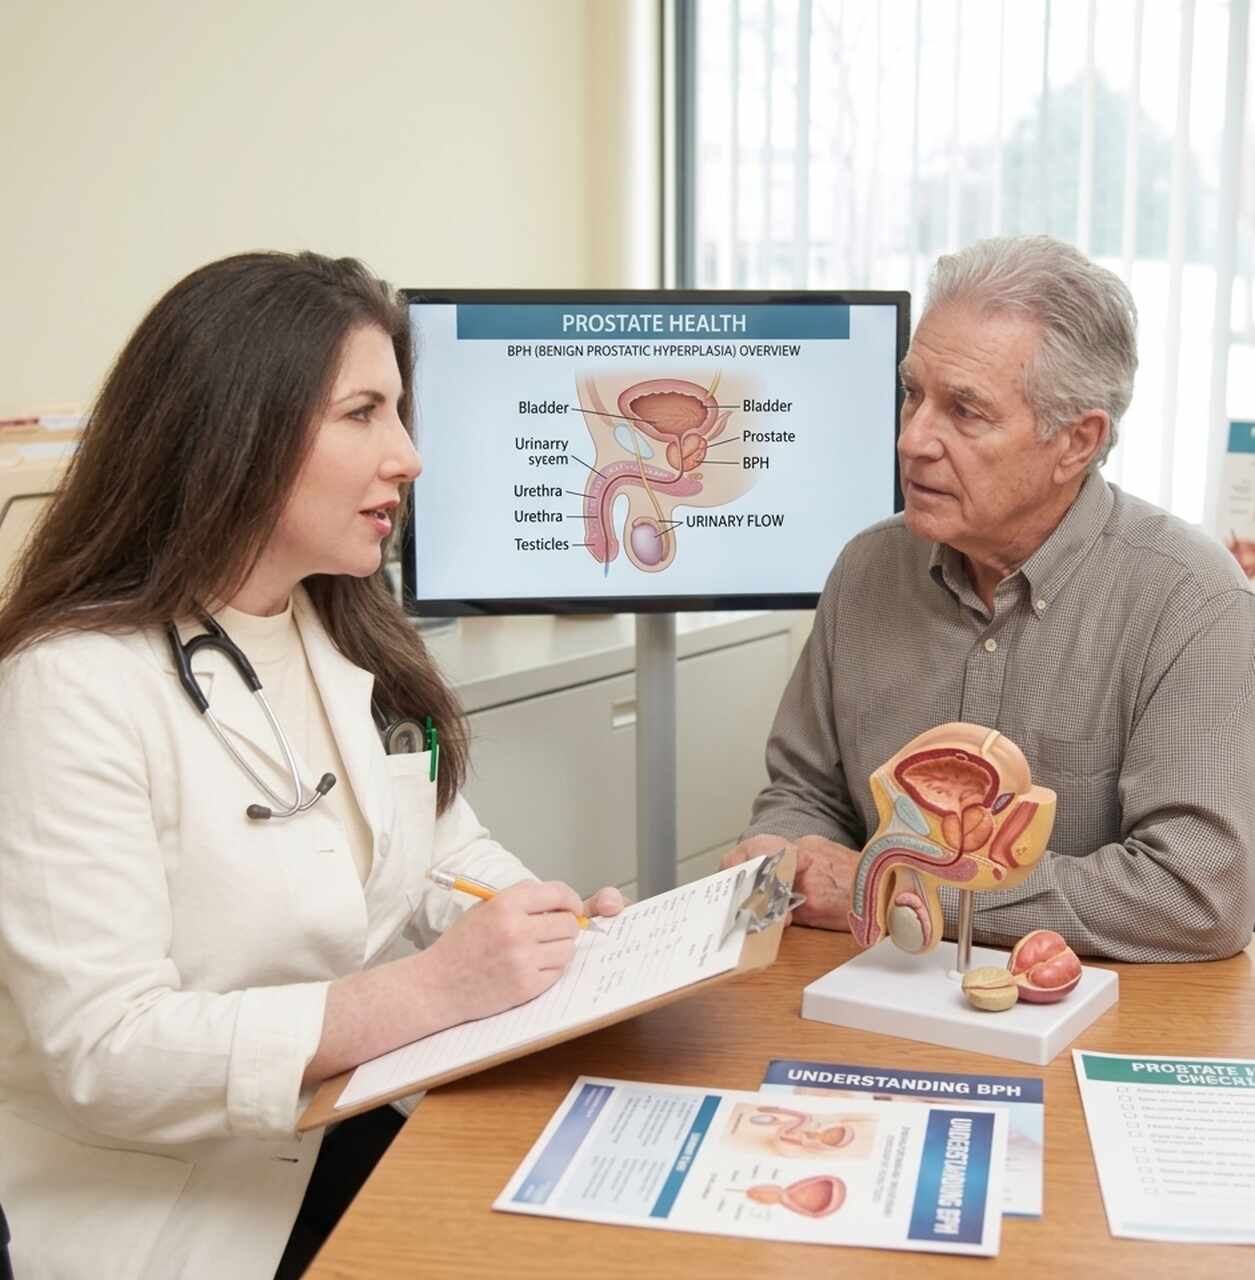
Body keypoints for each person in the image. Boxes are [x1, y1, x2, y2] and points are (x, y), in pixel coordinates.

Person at [0, 251, 625, 1280]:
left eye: (401, 411)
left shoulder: (338, 625)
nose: (410, 455)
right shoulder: (69, 687)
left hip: (338, 1124)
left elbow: (439, 854)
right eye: (364, 413)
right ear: (237, 431)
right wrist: (427, 991)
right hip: (178, 1201)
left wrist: (549, 933)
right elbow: (103, 1051)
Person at [726, 235, 1255, 963]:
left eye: (964, 411)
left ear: (1076, 441)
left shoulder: (1192, 601)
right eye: (912, 394)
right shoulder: (866, 568)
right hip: (874, 988)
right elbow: (804, 794)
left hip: (1089, 1013)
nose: (912, 439)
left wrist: (894, 888)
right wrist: (782, 850)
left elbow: (1194, 894)